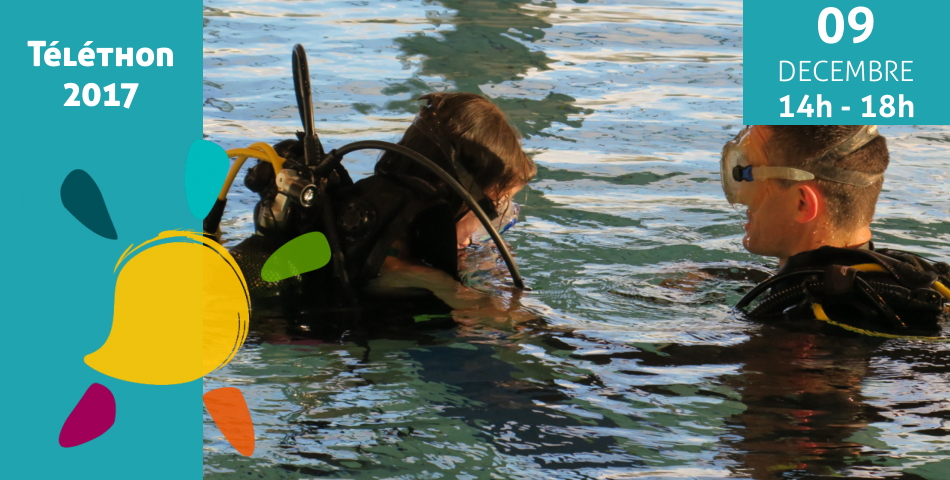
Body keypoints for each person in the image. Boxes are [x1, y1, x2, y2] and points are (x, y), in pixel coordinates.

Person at [228, 92, 537, 318]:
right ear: (459, 196)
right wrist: (453, 290)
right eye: (490, 218)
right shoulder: (397, 249)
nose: (481, 236)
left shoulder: (374, 209)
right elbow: (392, 270)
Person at [719, 125, 950, 335]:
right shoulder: (913, 276)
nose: (741, 200)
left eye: (747, 179)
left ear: (803, 204)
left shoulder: (809, 326)